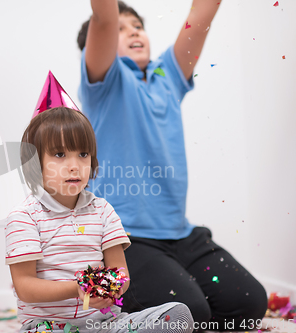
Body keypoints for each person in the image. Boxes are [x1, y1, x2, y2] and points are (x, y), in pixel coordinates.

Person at [77, 0, 267, 330]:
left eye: (137, 25)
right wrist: (109, 22)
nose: (133, 30)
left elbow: (201, 13)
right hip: (125, 240)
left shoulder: (167, 75)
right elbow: (104, 18)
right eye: (121, 29)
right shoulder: (104, 83)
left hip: (181, 235)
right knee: (190, 311)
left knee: (249, 303)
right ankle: (114, 318)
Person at [5, 106, 194, 333]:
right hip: (49, 327)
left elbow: (121, 274)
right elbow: (25, 286)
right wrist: (77, 288)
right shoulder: (24, 216)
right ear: (35, 164)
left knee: (179, 315)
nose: (75, 165)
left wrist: (110, 288)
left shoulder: (102, 210)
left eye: (83, 154)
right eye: (60, 154)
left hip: (104, 324)